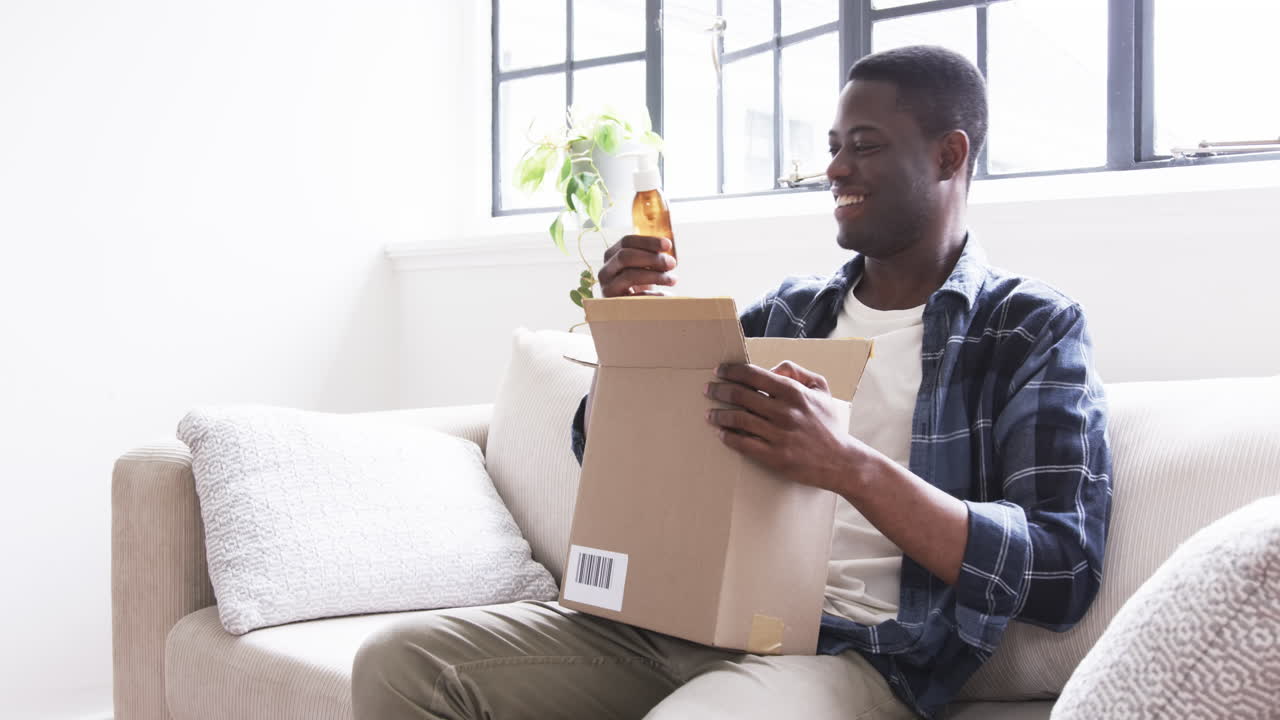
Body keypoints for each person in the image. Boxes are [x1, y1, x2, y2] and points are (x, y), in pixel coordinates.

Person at [352, 45, 1112, 720]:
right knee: (403, 664)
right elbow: (608, 451)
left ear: (949, 156)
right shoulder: (789, 311)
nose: (836, 169)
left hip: (855, 655)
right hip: (677, 622)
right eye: (833, 147)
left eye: (865, 146)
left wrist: (847, 465)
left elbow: (1062, 570)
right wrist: (630, 342)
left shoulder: (1028, 329)